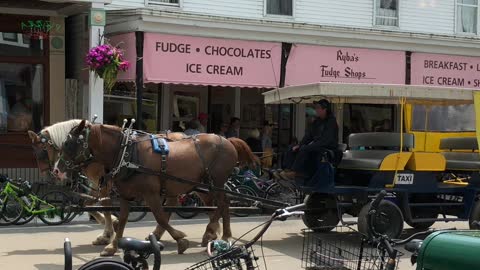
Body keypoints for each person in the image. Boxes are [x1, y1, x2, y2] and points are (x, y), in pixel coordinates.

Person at [280, 99, 339, 180]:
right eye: (316, 108)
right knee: (292, 147)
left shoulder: (331, 122)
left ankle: (296, 172)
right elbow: (309, 135)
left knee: (305, 149)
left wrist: (310, 146)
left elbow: (326, 140)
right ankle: (287, 169)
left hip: (327, 148)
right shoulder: (317, 121)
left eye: (318, 108)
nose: (316, 110)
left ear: (325, 109)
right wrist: (299, 145)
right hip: (318, 145)